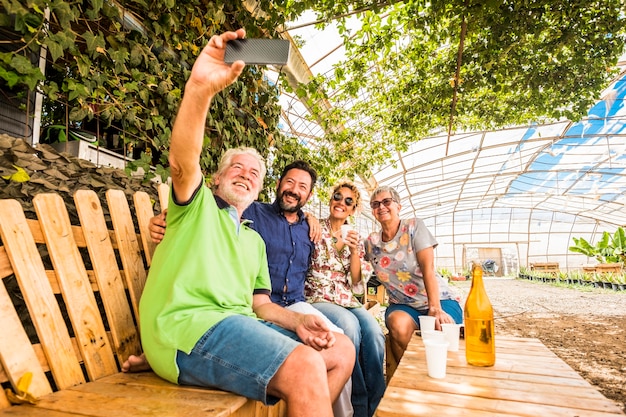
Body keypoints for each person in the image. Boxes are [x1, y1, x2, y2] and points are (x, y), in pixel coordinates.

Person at [138, 28, 354, 417]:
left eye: (255, 172)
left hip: (236, 327)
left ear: (259, 189)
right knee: (305, 366)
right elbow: (183, 161)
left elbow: (261, 305)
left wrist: (300, 320)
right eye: (236, 166)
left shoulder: (253, 240)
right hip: (184, 329)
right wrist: (201, 88)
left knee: (342, 350)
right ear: (217, 178)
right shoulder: (195, 206)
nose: (246, 173)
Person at [305, 181, 386, 417]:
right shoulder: (313, 226)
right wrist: (308, 215)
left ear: (353, 209)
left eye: (348, 201)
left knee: (374, 332)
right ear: (331, 200)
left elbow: (357, 283)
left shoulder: (354, 237)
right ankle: (358, 403)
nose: (341, 203)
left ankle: (377, 402)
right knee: (350, 328)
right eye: (337, 197)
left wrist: (353, 252)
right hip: (318, 295)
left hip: (345, 297)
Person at [363, 185, 463, 370]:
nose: (381, 207)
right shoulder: (371, 243)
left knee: (439, 330)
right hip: (403, 305)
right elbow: (351, 264)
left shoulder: (413, 227)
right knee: (398, 326)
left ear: (398, 206)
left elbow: (428, 268)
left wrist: (435, 308)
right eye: (375, 204)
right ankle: (410, 376)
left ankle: (441, 376)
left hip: (438, 299)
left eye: (387, 202)